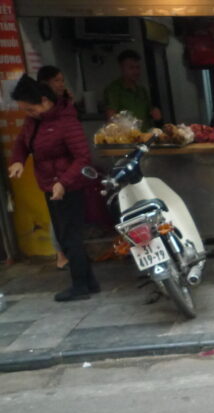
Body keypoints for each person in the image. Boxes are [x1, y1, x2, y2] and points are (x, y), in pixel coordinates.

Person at [8, 75, 98, 301]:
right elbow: (21, 142)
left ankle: (80, 286)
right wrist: (17, 160)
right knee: (64, 234)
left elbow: (82, 157)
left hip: (70, 186)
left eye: (30, 109)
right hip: (50, 185)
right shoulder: (34, 122)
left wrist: (63, 182)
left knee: (70, 236)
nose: (28, 114)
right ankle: (89, 283)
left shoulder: (66, 121)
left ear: (44, 101)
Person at [37, 65, 75, 271]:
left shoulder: (61, 103)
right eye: (57, 81)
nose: (61, 84)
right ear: (46, 84)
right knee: (57, 212)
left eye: (62, 80)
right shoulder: (42, 108)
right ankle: (60, 253)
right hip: (52, 171)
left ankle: (68, 251)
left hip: (66, 166)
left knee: (66, 214)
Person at [103, 50, 162, 129]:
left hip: (147, 137)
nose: (136, 71)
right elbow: (111, 120)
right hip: (128, 139)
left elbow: (152, 114)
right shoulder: (113, 90)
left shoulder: (142, 90)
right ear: (122, 68)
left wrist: (156, 114)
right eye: (131, 68)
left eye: (137, 67)